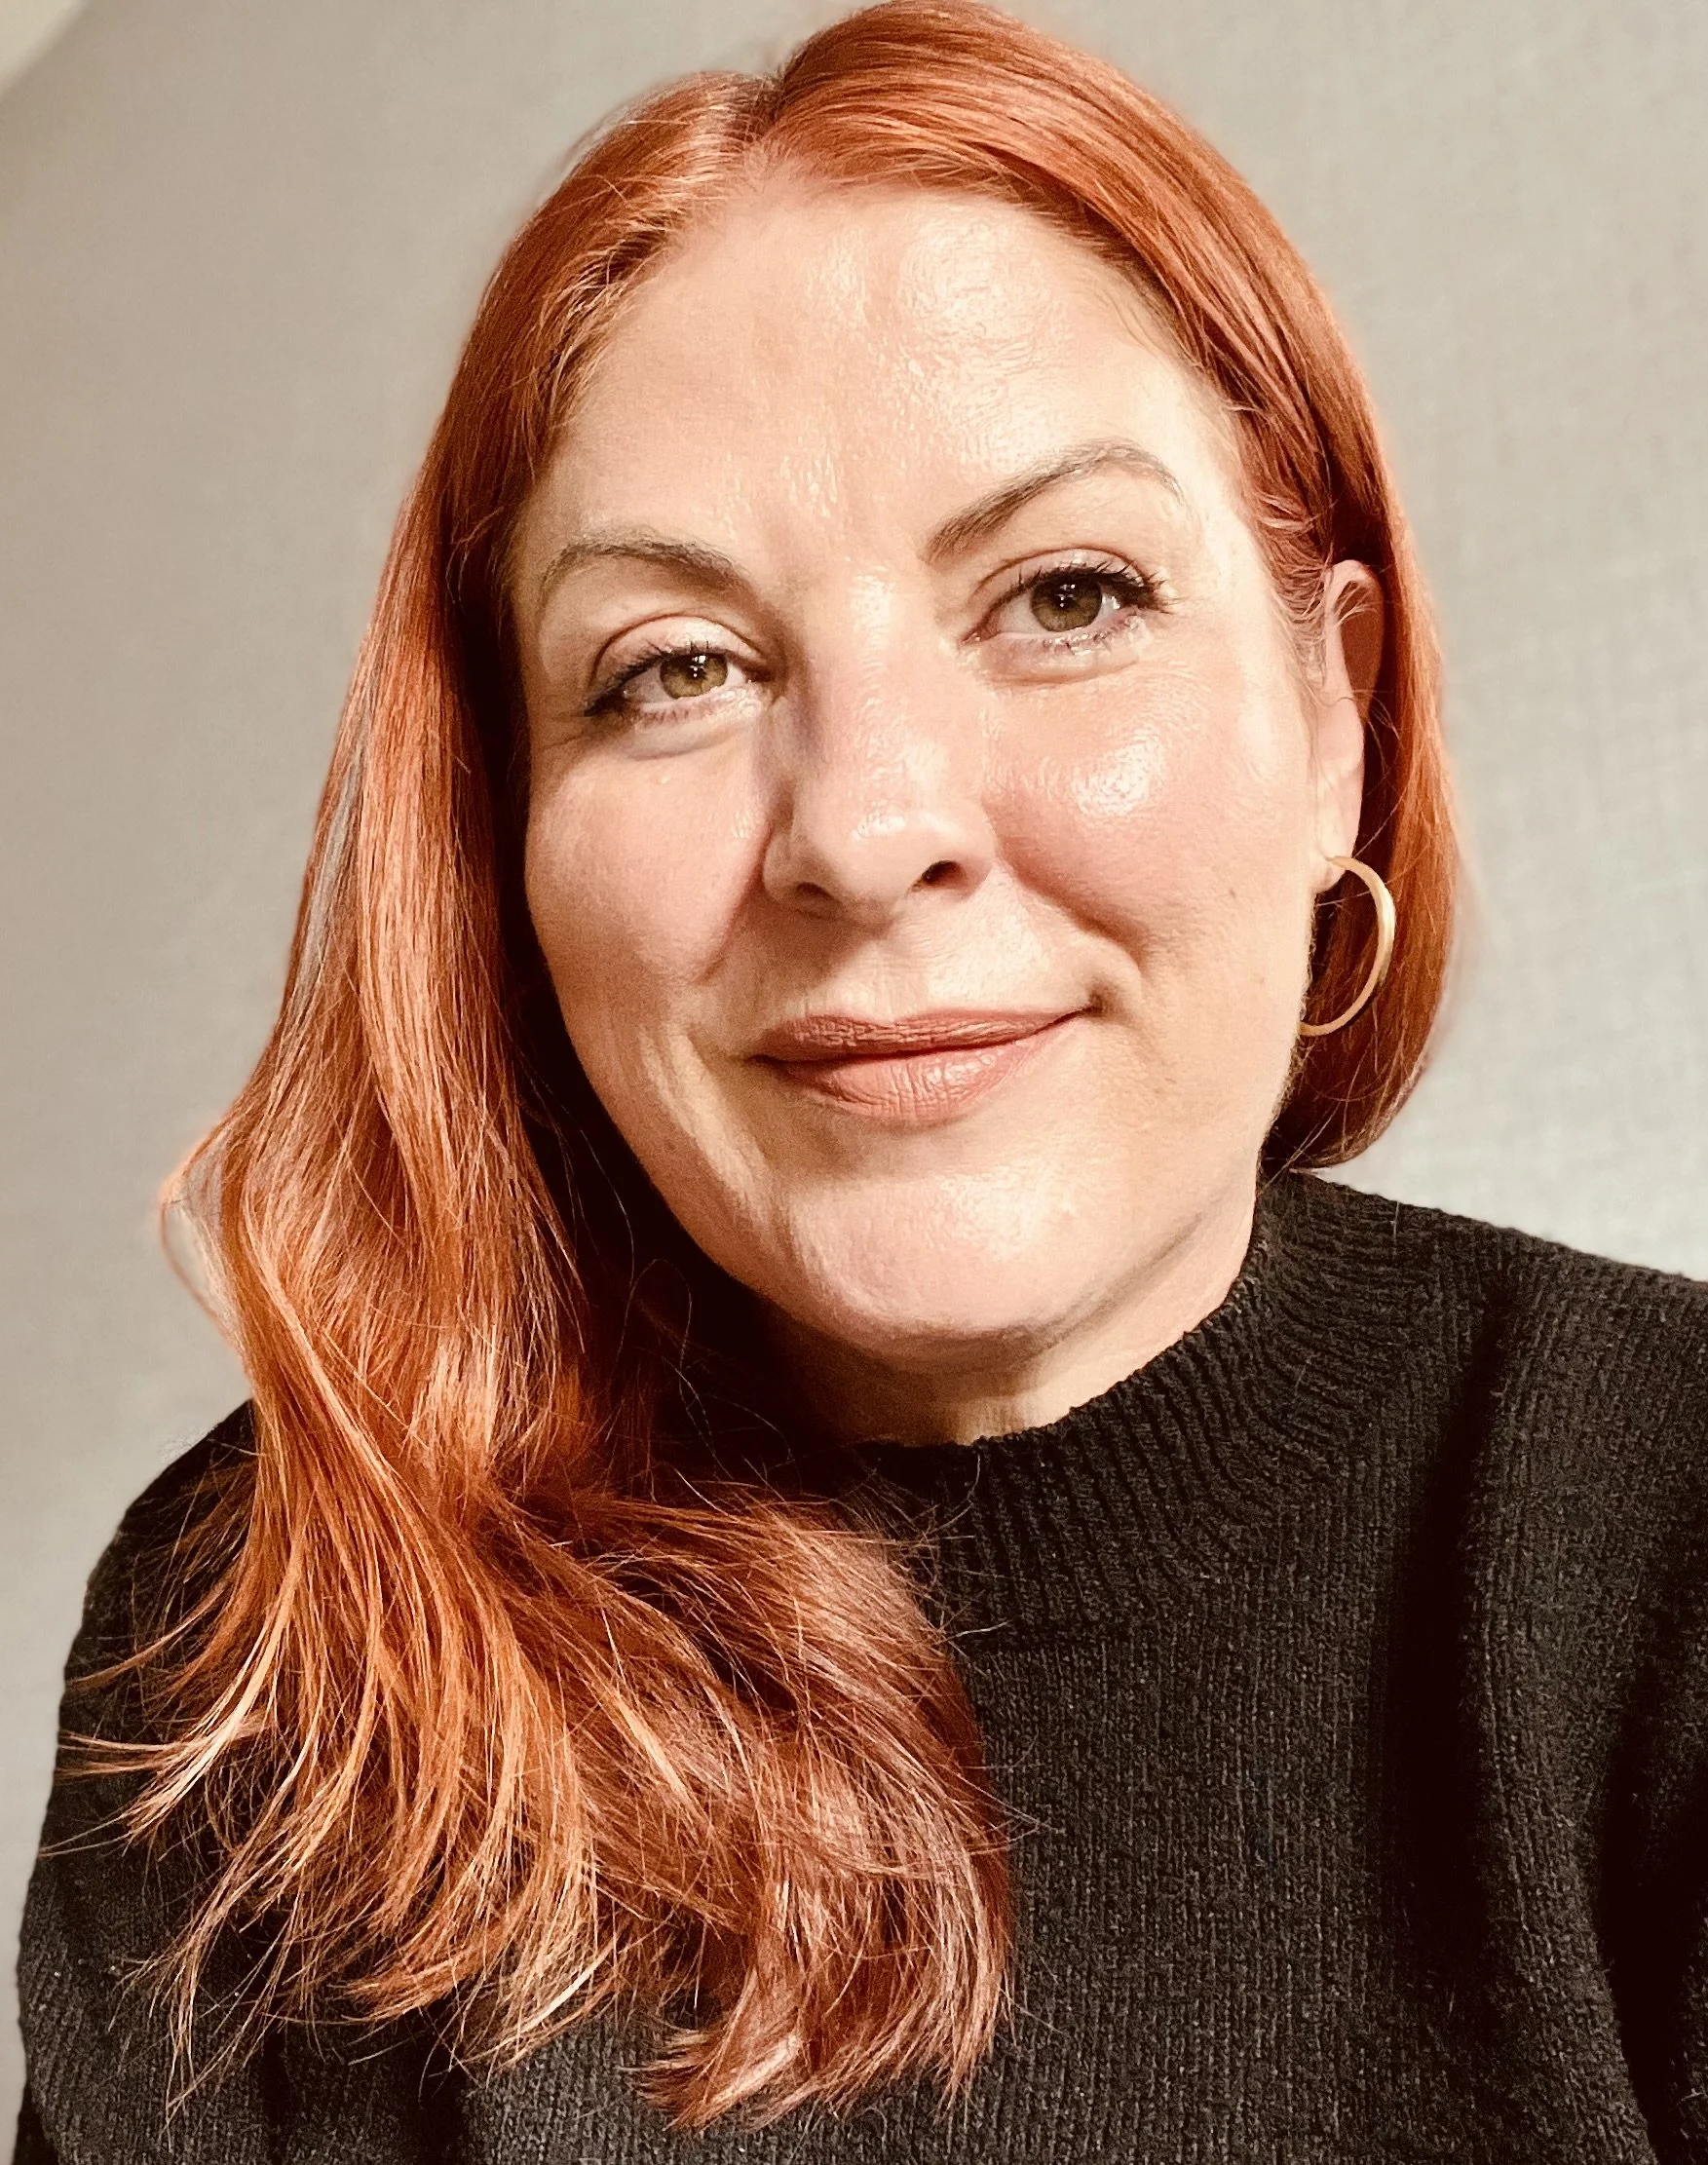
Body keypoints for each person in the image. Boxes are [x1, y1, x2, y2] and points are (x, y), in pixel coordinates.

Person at [15, 2, 1708, 2158]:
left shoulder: (1663, 1553)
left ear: (1336, 721)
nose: (863, 822)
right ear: (506, 831)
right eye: (677, 668)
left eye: (1067, 593)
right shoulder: (259, 1655)